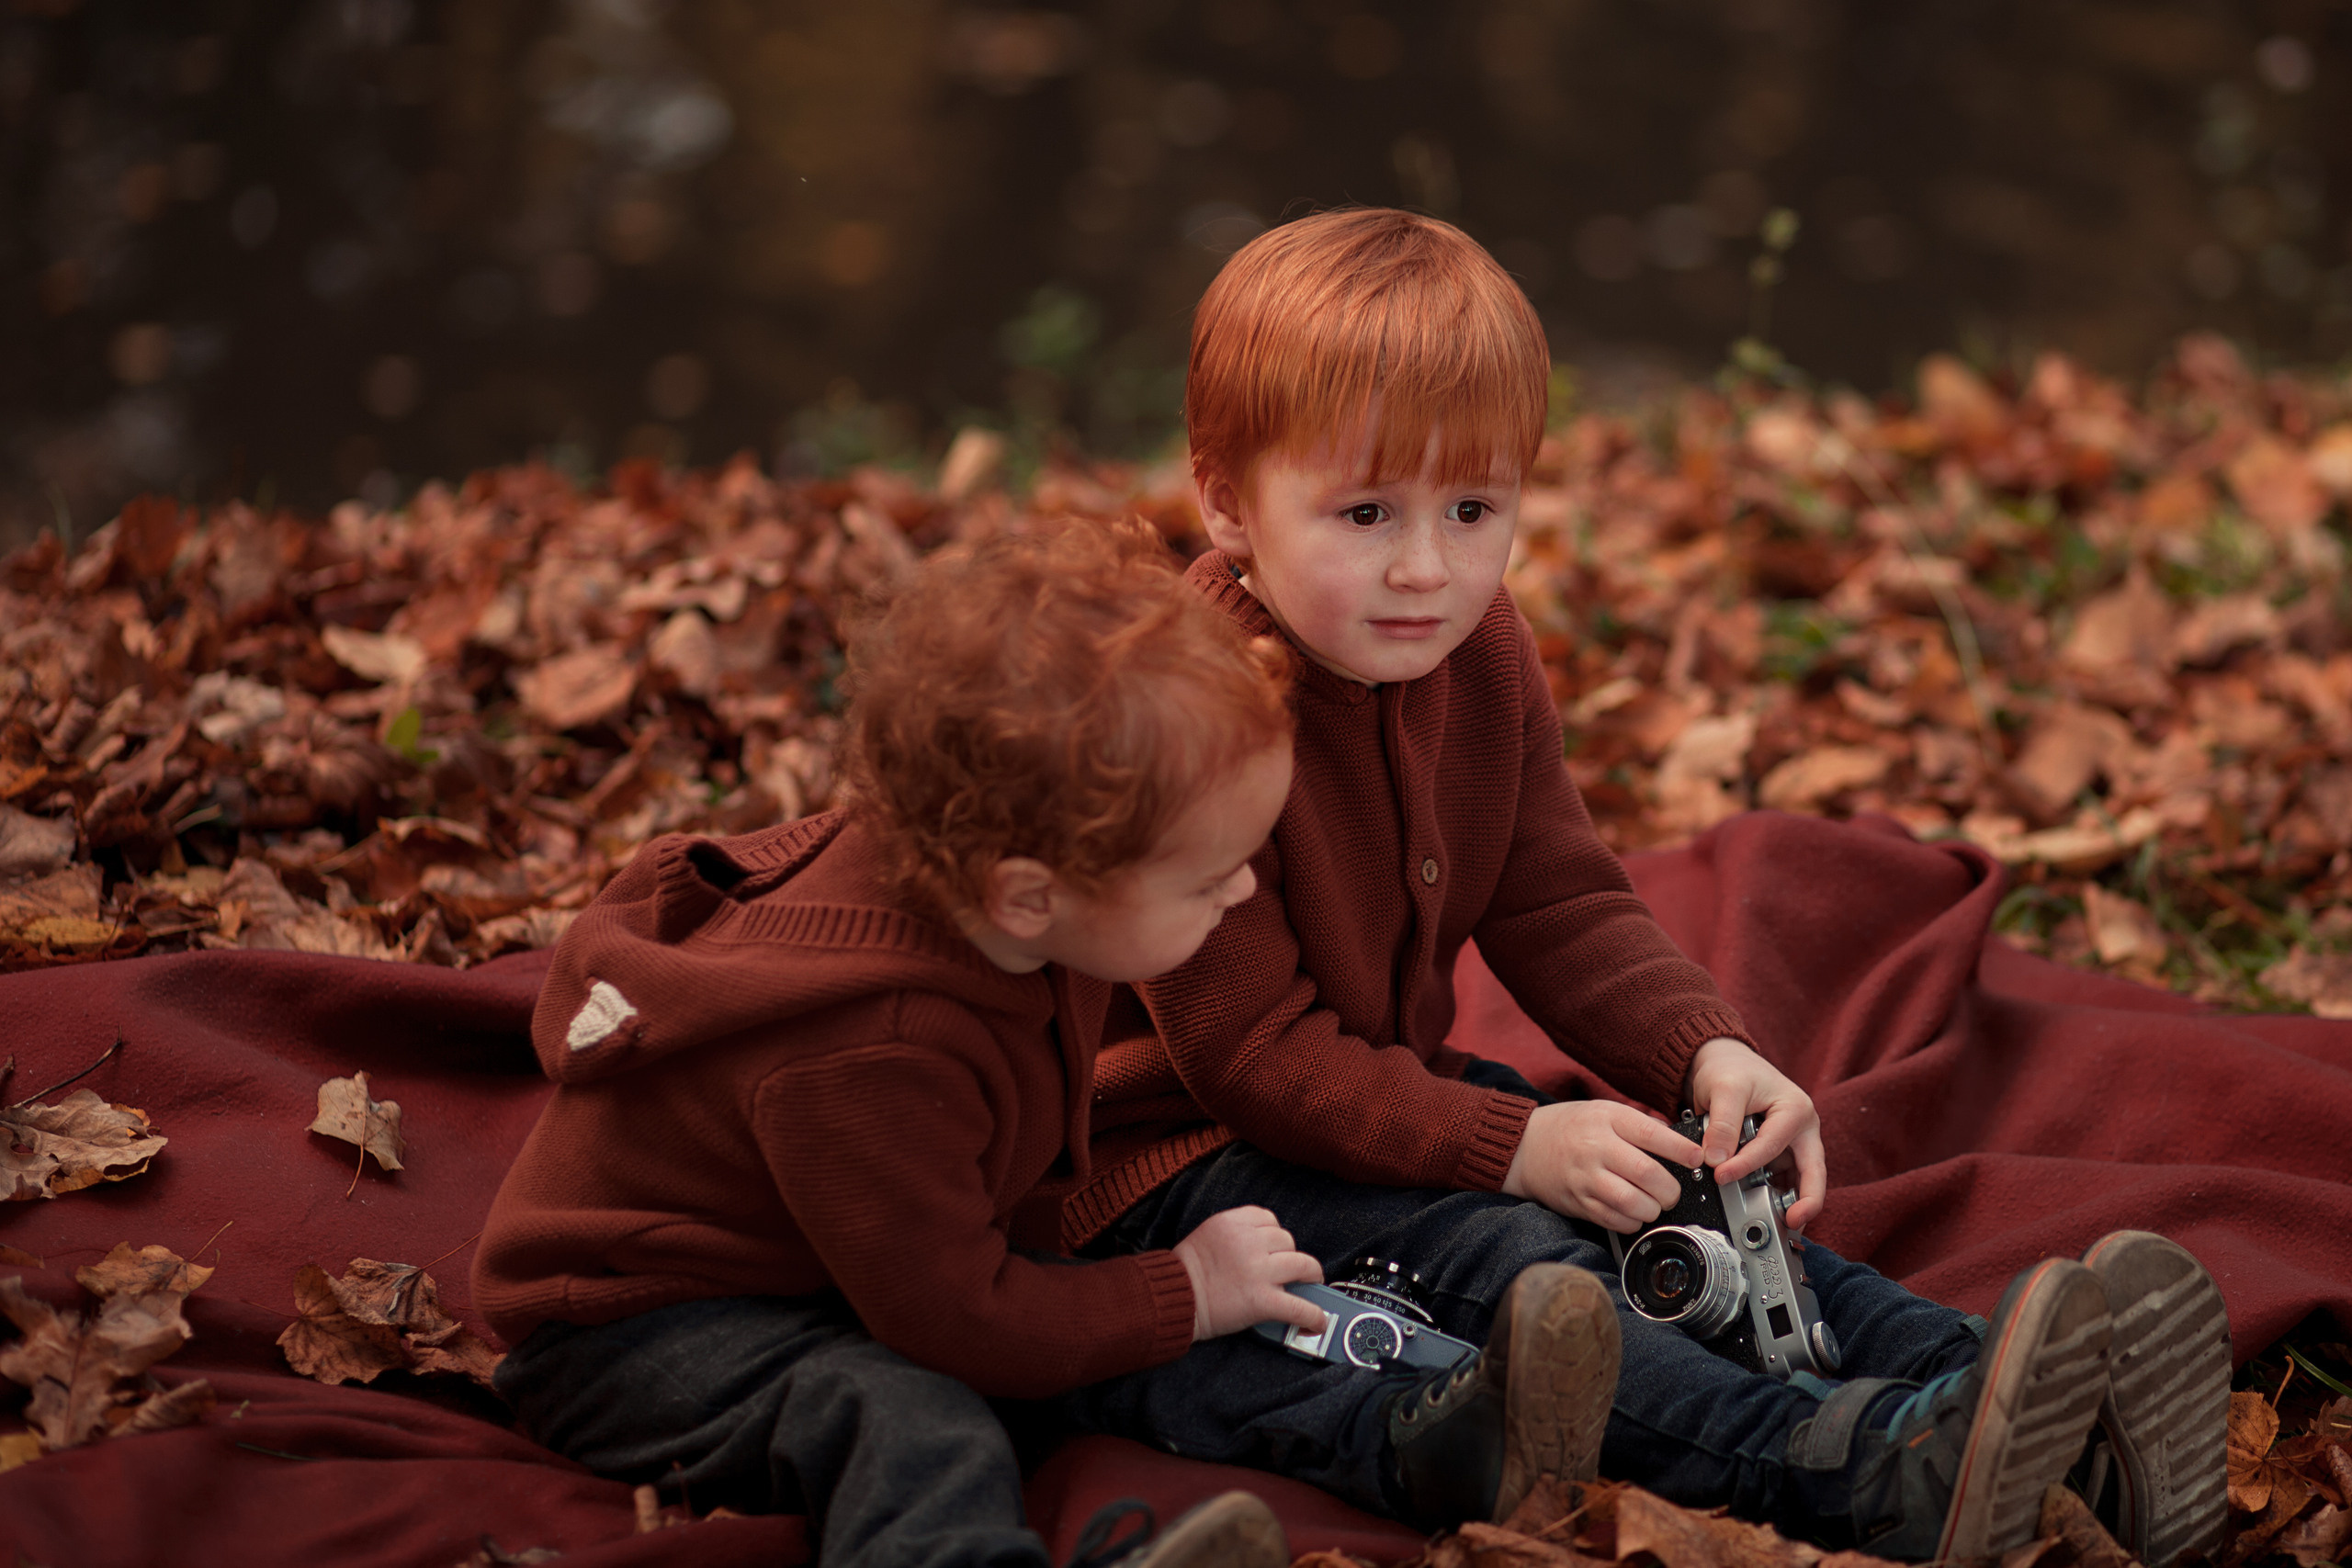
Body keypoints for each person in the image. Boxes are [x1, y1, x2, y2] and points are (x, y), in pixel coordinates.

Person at [1053, 209, 2232, 1567]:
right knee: (1521, 1258)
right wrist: (1506, 1147)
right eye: (1366, 512)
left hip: (1373, 1102)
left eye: (1474, 509)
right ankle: (1863, 1466)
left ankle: (2023, 1394)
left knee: (1683, 1195)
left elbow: (1558, 894)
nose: (1427, 565)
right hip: (1172, 1169)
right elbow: (1247, 1051)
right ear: (1226, 501)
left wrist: (1705, 1044)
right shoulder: (1188, 709)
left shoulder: (1476, 649)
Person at [472, 521, 1326, 1568]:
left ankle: (1417, 1435)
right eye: (1205, 878)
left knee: (1104, 1330)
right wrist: (1179, 1291)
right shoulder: (874, 1048)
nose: (1243, 890)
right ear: (1027, 892)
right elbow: (959, 1320)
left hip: (840, 1259)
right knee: (910, 1415)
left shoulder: (1005, 891)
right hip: (630, 1330)